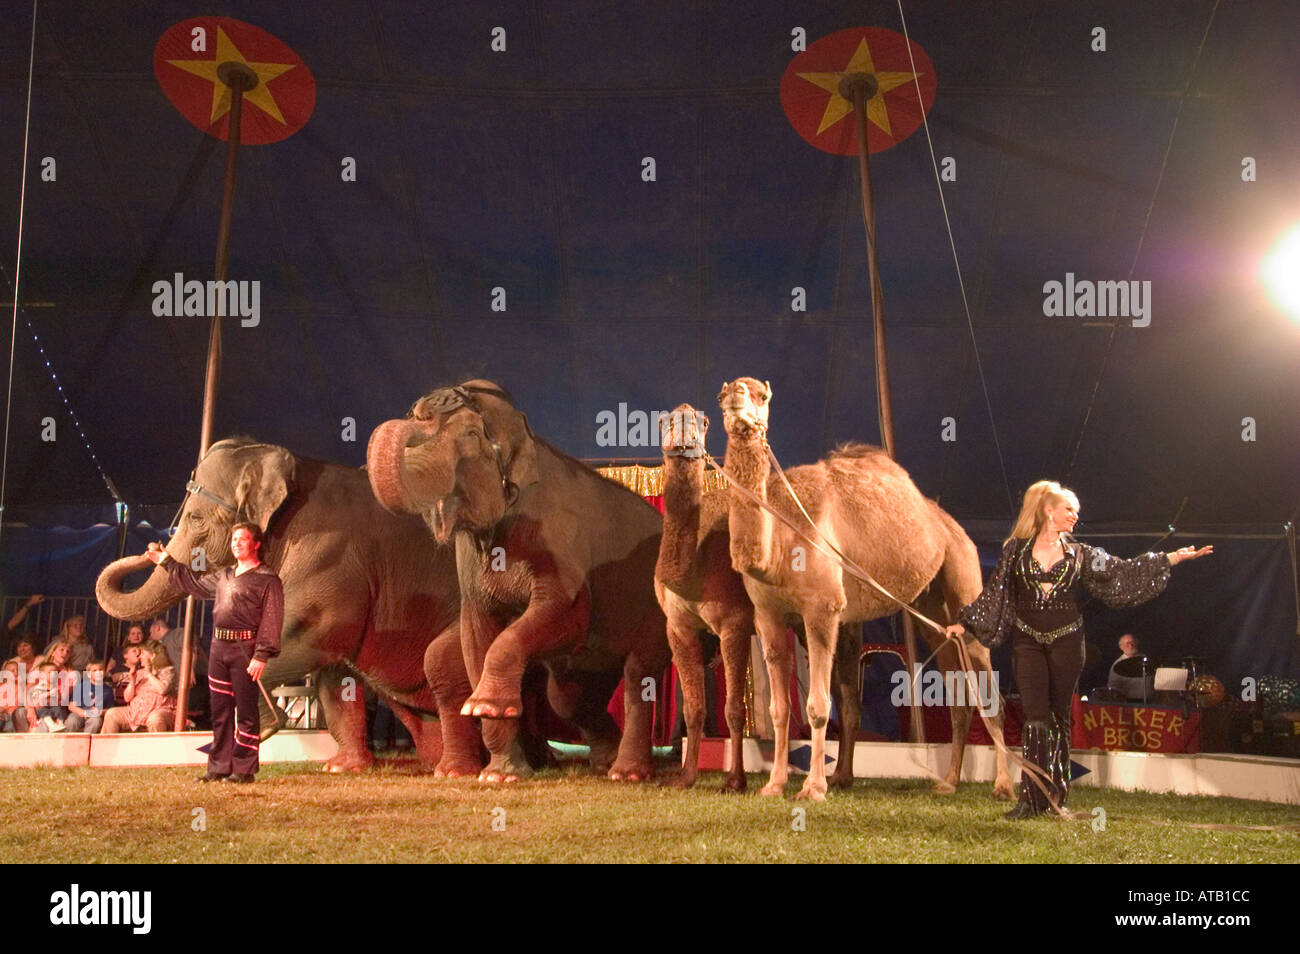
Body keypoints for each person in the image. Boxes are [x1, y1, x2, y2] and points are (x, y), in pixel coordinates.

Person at [944, 480, 1211, 818]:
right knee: (1035, 717)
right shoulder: (1016, 551)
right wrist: (964, 624)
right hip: (1027, 641)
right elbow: (995, 594)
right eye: (1069, 509)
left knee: (1057, 716)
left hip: (1067, 641)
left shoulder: (1080, 553)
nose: (1074, 516)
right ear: (1048, 511)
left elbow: (1123, 572)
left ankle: (1056, 795)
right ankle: (1032, 798)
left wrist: (1173, 557)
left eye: (1076, 512)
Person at [146, 522, 282, 783]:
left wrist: (261, 654)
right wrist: (166, 561)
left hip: (246, 649)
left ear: (256, 544)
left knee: (246, 711)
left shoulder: (267, 580)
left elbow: (272, 619)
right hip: (219, 648)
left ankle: (243, 770)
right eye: (234, 539)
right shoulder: (225, 575)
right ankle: (218, 767)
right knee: (219, 710)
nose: (236, 543)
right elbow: (194, 584)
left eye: (243, 539)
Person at [102, 640, 176, 733]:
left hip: (160, 710)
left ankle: (157, 747)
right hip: (136, 711)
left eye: (143, 653)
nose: (139, 656)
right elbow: (127, 698)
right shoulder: (140, 673)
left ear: (153, 656)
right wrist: (132, 680)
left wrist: (149, 674)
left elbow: (162, 690)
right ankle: (107, 746)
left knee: (155, 719)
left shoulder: (167, 671)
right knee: (112, 714)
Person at [67, 661, 110, 733]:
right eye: (95, 670)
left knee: (95, 722)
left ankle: (85, 742)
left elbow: (109, 709)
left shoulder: (107, 690)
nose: (98, 672)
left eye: (101, 670)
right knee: (72, 721)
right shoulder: (81, 686)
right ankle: (69, 742)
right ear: (89, 674)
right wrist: (82, 712)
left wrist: (100, 712)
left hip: (95, 714)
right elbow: (71, 706)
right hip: (80, 711)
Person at [1107, 633, 1150, 700]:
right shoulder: (1117, 665)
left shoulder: (1146, 659)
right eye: (1128, 643)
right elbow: (1113, 688)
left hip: (1149, 702)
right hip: (1128, 703)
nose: (1131, 645)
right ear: (1121, 647)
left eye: (1133, 642)